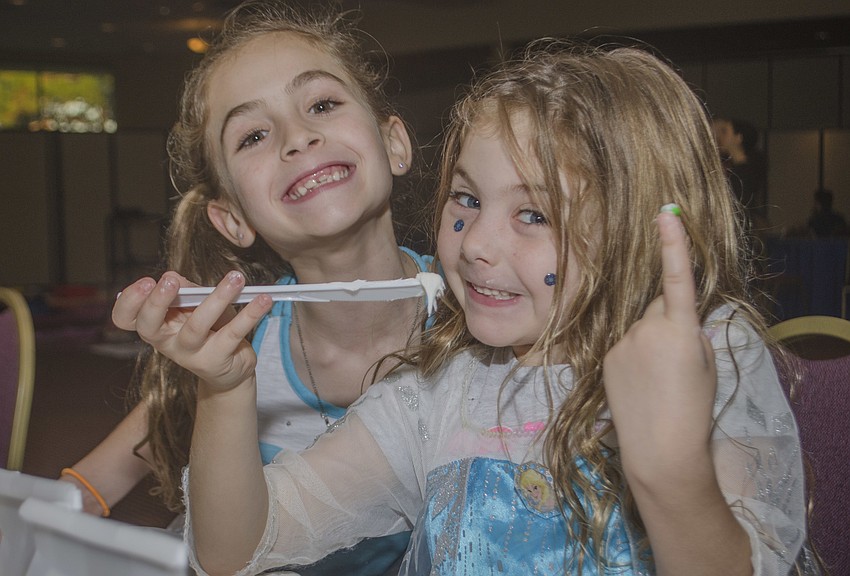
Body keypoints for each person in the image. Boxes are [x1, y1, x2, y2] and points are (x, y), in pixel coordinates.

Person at [114, 41, 806, 575]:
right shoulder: (438, 391)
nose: (475, 244)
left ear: (632, 229)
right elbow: (235, 552)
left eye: (533, 213)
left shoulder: (712, 354)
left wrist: (670, 473)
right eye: (467, 201)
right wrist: (228, 389)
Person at [62, 1, 430, 571]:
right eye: (253, 135)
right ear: (233, 217)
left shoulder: (480, 314)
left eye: (323, 104)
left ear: (395, 145)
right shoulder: (235, 343)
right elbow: (89, 488)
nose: (298, 136)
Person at [712, 116, 768, 231]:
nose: (720, 137)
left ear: (738, 138)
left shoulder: (744, 173)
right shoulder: (737, 169)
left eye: (725, 132)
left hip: (738, 232)